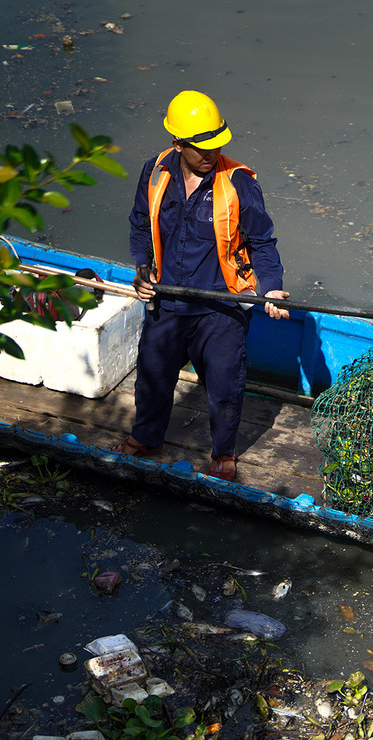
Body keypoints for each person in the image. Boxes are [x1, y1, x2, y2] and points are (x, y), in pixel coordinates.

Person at [114, 90, 290, 482]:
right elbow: (140, 225)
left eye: (216, 145)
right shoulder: (155, 171)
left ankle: (223, 454)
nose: (210, 154)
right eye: (200, 148)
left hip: (221, 308)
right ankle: (147, 438)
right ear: (177, 143)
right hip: (168, 302)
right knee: (153, 374)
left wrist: (272, 287)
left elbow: (262, 242)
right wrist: (142, 271)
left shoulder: (239, 183)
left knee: (224, 386)